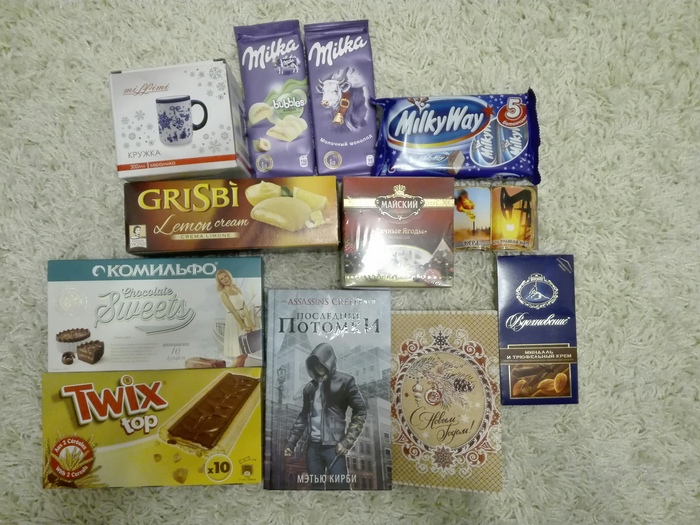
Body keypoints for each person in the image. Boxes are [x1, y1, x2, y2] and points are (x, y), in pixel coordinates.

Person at [284, 342, 367, 490]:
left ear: (330, 361)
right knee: (316, 487)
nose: (319, 367)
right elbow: (303, 417)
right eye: (315, 364)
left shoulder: (345, 381)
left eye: (322, 363)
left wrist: (347, 442)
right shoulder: (309, 388)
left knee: (341, 487)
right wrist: (291, 443)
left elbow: (360, 411)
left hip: (334, 447)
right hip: (312, 448)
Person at [215, 269, 256, 365]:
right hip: (234, 321)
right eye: (221, 279)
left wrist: (250, 323)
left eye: (225, 276)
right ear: (219, 282)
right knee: (240, 354)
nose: (225, 279)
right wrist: (243, 326)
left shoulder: (237, 289)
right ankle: (230, 371)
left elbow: (244, 306)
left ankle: (240, 372)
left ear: (229, 276)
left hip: (243, 319)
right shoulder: (223, 293)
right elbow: (233, 311)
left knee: (245, 353)